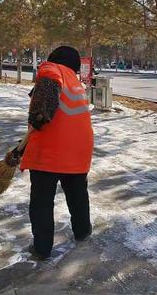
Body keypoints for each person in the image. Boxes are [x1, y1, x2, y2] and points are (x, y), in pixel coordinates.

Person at [8, 46, 94, 261]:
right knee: (78, 195)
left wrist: (37, 117)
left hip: (51, 153)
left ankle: (42, 248)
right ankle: (83, 231)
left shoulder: (51, 70)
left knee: (42, 202)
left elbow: (43, 113)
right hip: (79, 149)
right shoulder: (76, 82)